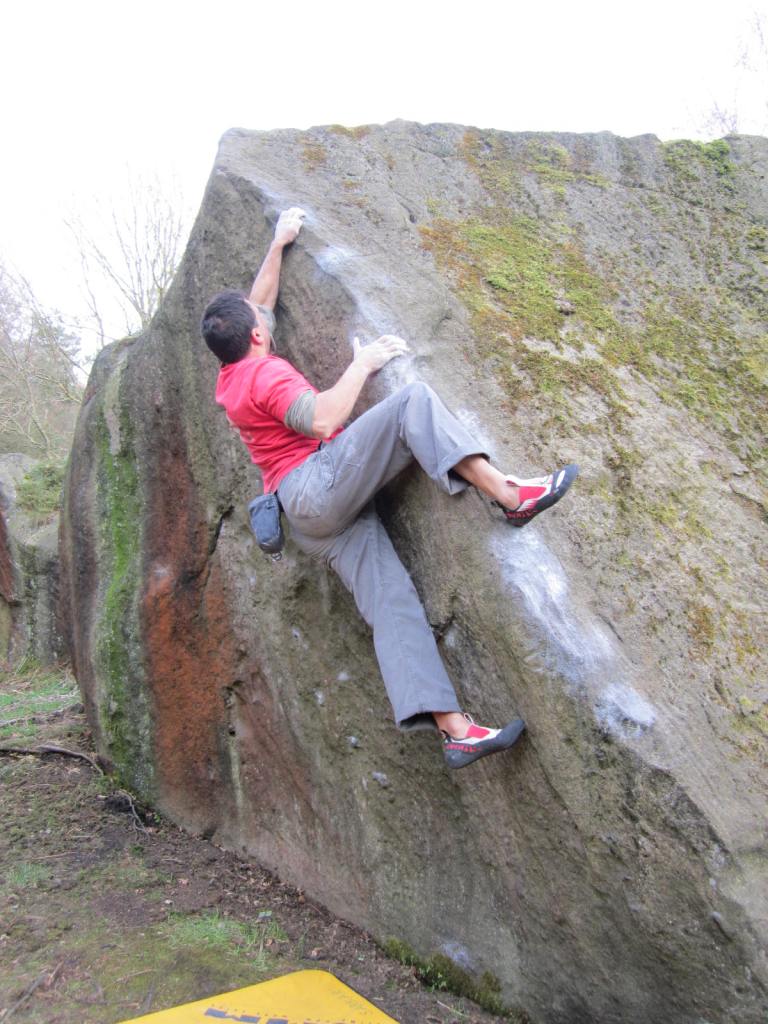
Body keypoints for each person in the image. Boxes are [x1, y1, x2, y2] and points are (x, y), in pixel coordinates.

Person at [201, 208, 578, 769]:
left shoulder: (231, 373)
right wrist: (364, 363)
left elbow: (260, 300)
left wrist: (279, 243)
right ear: (256, 337)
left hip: (305, 517)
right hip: (316, 485)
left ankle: (456, 731)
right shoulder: (267, 375)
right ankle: (509, 495)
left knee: (391, 602)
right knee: (412, 404)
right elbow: (326, 420)